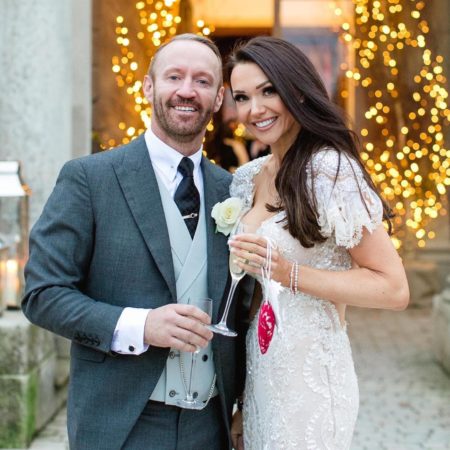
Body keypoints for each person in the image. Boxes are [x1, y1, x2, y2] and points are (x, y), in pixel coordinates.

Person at [22, 34, 251, 450]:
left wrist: (244, 405)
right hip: (122, 424)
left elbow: (245, 311)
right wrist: (140, 325)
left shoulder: (235, 191)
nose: (186, 90)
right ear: (148, 87)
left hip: (211, 428)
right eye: (174, 76)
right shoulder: (88, 179)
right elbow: (42, 293)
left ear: (218, 98)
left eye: (202, 81)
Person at [226, 36, 410, 449]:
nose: (255, 109)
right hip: (263, 370)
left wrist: (290, 273)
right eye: (242, 97)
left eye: (268, 90)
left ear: (296, 89)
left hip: (311, 375)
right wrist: (242, 397)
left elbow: (393, 288)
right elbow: (259, 294)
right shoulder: (248, 177)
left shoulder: (329, 170)